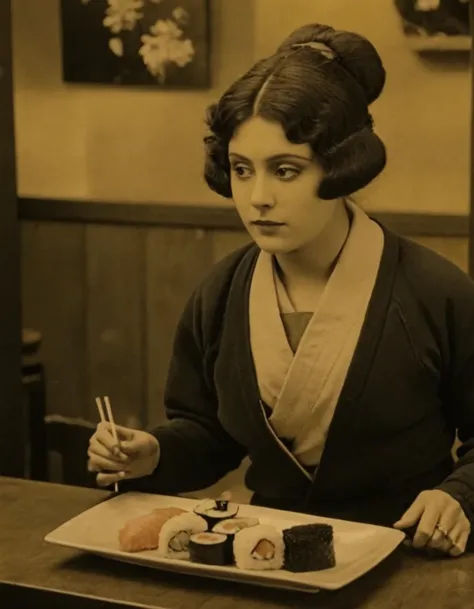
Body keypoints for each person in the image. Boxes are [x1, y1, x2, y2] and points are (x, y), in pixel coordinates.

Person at [87, 23, 474, 557]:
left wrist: (458, 496)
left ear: (340, 166)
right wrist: (153, 453)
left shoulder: (436, 291)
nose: (258, 197)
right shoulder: (221, 293)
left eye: (286, 170)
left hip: (407, 557)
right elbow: (208, 434)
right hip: (263, 553)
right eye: (242, 170)